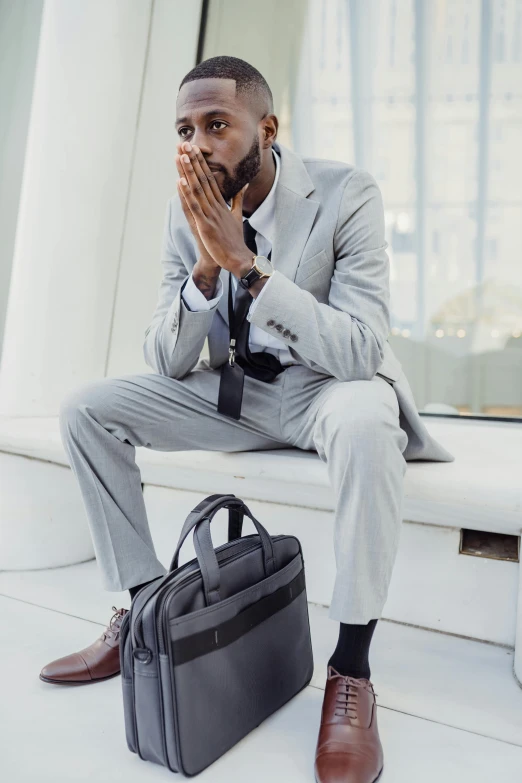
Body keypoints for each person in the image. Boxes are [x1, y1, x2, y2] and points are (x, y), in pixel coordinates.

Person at [40, 55, 454, 783]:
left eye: (217, 125)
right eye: (184, 129)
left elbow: (361, 351)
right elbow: (166, 360)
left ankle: (350, 669)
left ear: (266, 129)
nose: (198, 145)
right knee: (87, 410)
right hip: (237, 397)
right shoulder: (184, 210)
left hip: (328, 389)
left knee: (366, 420)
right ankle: (152, 618)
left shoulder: (345, 194)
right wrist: (206, 268)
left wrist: (250, 268)